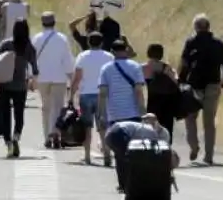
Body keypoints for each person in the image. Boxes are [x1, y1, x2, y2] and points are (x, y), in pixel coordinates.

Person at [178, 13, 223, 165]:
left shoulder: (191, 42)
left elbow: (184, 63)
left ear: (196, 27)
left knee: (190, 117)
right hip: (213, 84)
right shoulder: (219, 44)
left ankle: (194, 146)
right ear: (209, 27)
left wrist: (180, 81)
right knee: (209, 121)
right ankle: (209, 155)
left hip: (194, 85)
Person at [0, 19, 39, 158]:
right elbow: (35, 68)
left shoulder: (7, 44)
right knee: (19, 114)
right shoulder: (29, 47)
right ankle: (16, 137)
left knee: (5, 114)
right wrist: (33, 81)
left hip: (4, 83)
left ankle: (8, 143)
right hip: (20, 85)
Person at [69, 31, 114, 165]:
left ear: (88, 42)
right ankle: (107, 153)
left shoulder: (83, 56)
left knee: (87, 127)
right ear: (102, 42)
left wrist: (71, 95)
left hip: (86, 95)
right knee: (103, 127)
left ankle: (87, 156)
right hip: (103, 94)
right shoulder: (109, 57)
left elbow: (77, 78)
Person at [31, 12, 75, 149]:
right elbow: (67, 60)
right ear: (54, 22)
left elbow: (31, 59)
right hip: (59, 77)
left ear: (42, 23)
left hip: (42, 77)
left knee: (46, 107)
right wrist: (70, 76)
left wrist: (30, 77)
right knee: (57, 107)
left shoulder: (37, 38)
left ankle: (47, 136)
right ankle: (55, 133)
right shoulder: (62, 38)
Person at [104, 113, 173, 193]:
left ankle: (123, 185)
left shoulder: (144, 128)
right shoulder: (150, 132)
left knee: (121, 159)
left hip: (110, 134)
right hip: (120, 133)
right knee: (130, 160)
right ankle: (131, 185)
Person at [99, 39, 146, 126]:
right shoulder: (135, 66)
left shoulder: (105, 68)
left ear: (112, 52)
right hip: (133, 114)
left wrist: (102, 115)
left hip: (114, 115)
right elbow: (139, 91)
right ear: (126, 50)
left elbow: (103, 93)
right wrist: (143, 111)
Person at [143, 44, 179, 143]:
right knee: (167, 126)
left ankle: (151, 147)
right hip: (166, 101)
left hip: (151, 100)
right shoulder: (166, 67)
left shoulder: (143, 68)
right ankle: (166, 147)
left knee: (150, 125)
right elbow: (176, 81)